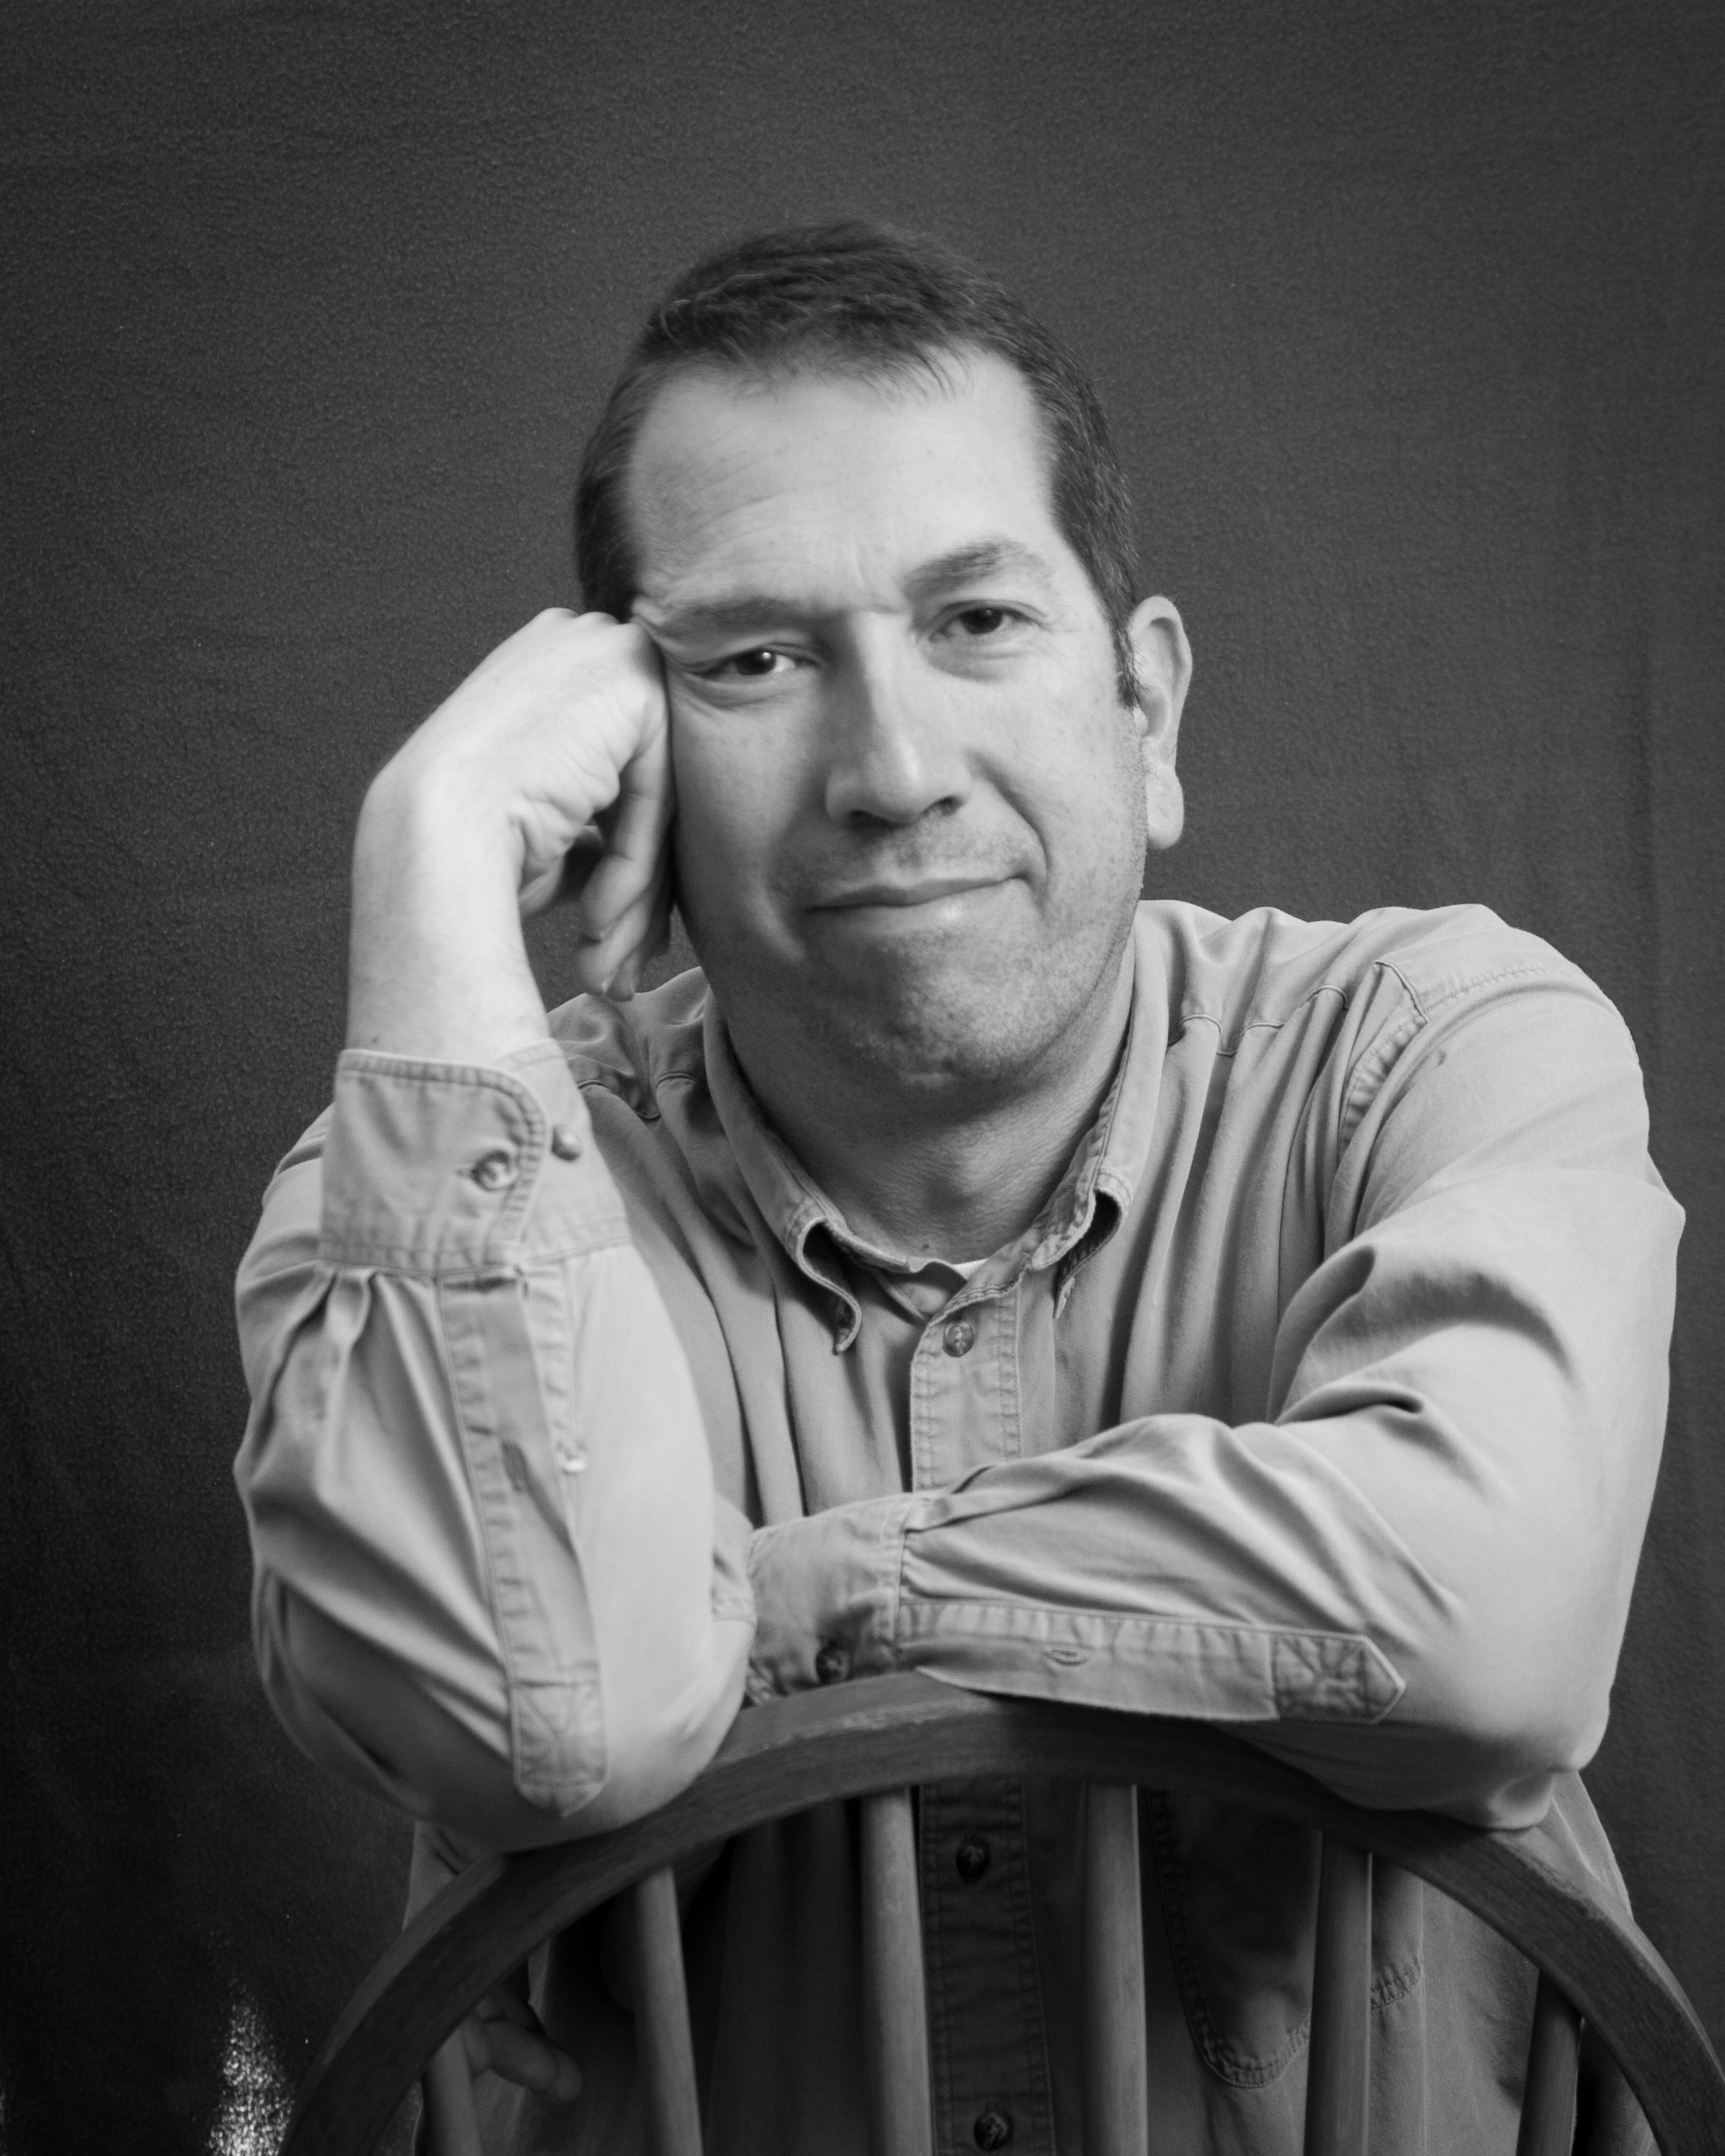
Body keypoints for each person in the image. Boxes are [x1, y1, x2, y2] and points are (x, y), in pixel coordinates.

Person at [234, 223, 1679, 2153]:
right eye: (755, 659)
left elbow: (1485, 1632)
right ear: (626, 767)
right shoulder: (423, 1192)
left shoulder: (1438, 1049)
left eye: (978, 621)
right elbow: (541, 1716)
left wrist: (803, 1600)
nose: (893, 766)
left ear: (1147, 710)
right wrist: (426, 862)